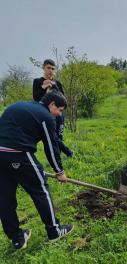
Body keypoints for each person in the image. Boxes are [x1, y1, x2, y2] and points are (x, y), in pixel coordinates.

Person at [0, 91, 74, 250]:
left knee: (4, 198)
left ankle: (17, 238)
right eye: (59, 110)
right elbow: (51, 146)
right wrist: (60, 171)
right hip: (18, 153)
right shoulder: (46, 117)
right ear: (52, 104)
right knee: (40, 189)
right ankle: (54, 231)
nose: (58, 114)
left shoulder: (22, 106)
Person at [33, 59, 73, 157]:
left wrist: (54, 85)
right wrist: (43, 87)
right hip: (45, 114)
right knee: (50, 135)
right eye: (48, 68)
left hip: (58, 113)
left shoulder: (57, 82)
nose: (50, 70)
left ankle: (59, 155)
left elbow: (62, 98)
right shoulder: (37, 81)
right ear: (44, 68)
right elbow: (36, 98)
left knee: (59, 135)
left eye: (53, 68)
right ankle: (67, 153)